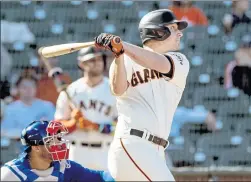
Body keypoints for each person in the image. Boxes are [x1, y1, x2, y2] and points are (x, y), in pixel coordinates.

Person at [94, 9, 190, 181]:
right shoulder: (124, 60)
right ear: (158, 32)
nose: (180, 33)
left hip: (156, 150)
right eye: (174, 28)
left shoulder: (179, 60)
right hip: (132, 143)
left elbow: (156, 62)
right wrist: (119, 55)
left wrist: (122, 46)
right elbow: (117, 89)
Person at [54, 46, 117, 170]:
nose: (97, 63)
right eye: (92, 60)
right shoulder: (71, 90)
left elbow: (121, 127)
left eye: (99, 59)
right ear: (81, 63)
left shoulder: (114, 89)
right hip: (77, 151)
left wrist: (94, 126)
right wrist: (73, 122)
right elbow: (57, 127)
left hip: (106, 151)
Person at [0, 120, 114, 181]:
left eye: (58, 139)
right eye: (51, 141)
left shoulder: (64, 167)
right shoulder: (10, 174)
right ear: (35, 147)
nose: (58, 144)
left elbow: (100, 177)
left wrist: (124, 174)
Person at [1, 74, 55, 138]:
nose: (28, 90)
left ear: (36, 88)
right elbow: (5, 132)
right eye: (24, 87)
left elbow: (55, 130)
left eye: (32, 86)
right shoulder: (10, 109)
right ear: (18, 89)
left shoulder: (48, 106)